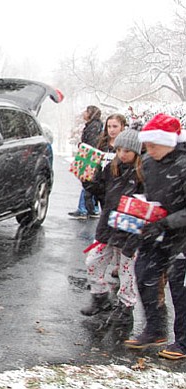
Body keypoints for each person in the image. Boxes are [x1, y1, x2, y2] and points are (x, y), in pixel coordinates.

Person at [123, 113, 186, 360]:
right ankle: (155, 329)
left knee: (180, 290)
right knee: (145, 277)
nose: (148, 150)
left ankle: (183, 341)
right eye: (146, 145)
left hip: (181, 236)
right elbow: (144, 195)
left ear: (169, 141)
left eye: (153, 145)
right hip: (155, 232)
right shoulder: (148, 162)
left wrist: (166, 222)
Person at [80, 129, 143, 332]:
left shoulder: (142, 175)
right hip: (107, 228)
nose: (122, 154)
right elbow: (101, 191)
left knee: (127, 271)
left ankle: (126, 306)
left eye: (127, 150)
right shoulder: (111, 169)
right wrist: (87, 179)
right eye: (119, 150)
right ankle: (100, 296)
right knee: (93, 260)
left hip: (129, 232)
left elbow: (143, 205)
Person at [69, 105, 103, 219]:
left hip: (90, 158)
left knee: (87, 183)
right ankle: (90, 208)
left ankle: (84, 208)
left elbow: (91, 144)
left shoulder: (93, 127)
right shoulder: (93, 125)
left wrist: (83, 148)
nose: (84, 113)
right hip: (89, 156)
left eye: (86, 111)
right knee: (89, 184)